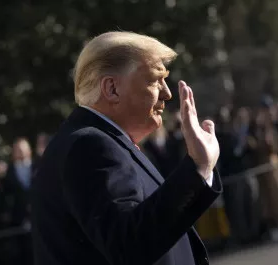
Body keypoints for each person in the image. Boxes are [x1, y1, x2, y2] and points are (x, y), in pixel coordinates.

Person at [31, 31, 222, 265]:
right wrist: (198, 167)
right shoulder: (89, 146)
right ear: (112, 88)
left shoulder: (101, 141)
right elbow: (129, 245)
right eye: (154, 79)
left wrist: (201, 169)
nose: (167, 93)